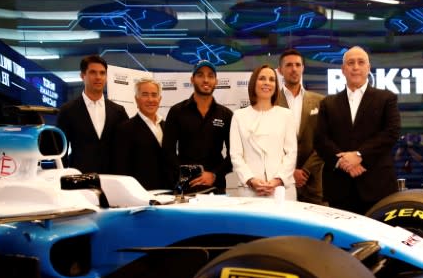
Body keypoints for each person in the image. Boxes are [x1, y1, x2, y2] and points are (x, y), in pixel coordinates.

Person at [314, 46, 401, 214]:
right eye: (350, 63)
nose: (355, 67)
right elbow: (320, 139)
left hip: (377, 186)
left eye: (361, 62)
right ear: (343, 69)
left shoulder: (386, 98)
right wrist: (344, 163)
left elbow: (391, 132)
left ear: (368, 68)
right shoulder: (328, 103)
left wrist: (359, 155)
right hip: (339, 187)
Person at [163, 60, 233, 194]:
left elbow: (233, 154)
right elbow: (168, 151)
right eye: (200, 75)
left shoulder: (226, 115)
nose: (206, 80)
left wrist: (214, 174)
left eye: (210, 76)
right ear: (192, 79)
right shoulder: (177, 112)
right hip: (185, 187)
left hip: (216, 187)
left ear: (216, 81)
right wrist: (185, 175)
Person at [228, 64, 297, 199]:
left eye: (272, 79)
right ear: (254, 83)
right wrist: (251, 180)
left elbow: (291, 153)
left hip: (281, 191)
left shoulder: (286, 115)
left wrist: (277, 181)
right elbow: (236, 155)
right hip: (250, 191)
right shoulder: (239, 116)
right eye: (262, 78)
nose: (267, 83)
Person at [56, 54, 128, 174]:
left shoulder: (118, 111)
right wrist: (62, 176)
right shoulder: (67, 111)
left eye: (102, 73)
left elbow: (125, 148)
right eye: (93, 72)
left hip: (113, 180)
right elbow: (60, 151)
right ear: (82, 76)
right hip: (79, 179)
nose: (98, 77)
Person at [276, 48, 325, 204]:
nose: (294, 69)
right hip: (280, 182)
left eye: (298, 65)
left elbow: (325, 141)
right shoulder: (270, 101)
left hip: (314, 180)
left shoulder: (320, 101)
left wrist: (305, 171)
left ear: (303, 68)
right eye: (289, 65)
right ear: (280, 70)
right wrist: (290, 172)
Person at [113, 78, 175, 190]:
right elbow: (121, 168)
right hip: (140, 195)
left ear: (159, 99)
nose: (150, 99)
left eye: (154, 95)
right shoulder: (125, 129)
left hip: (168, 193)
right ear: (136, 99)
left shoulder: (167, 127)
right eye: (145, 95)